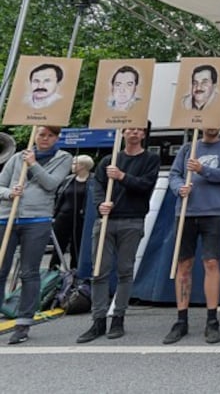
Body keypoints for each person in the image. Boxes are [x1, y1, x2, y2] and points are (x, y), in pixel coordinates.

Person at [77, 127, 160, 343]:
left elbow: (145, 186)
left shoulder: (151, 159)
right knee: (99, 272)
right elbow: (98, 187)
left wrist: (122, 176)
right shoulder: (108, 159)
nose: (133, 133)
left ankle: (118, 318)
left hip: (132, 220)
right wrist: (100, 204)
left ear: (143, 135)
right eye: (129, 129)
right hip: (106, 220)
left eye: (138, 130)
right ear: (122, 133)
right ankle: (98, 320)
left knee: (125, 271)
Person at [164, 128, 220, 344]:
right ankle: (181, 320)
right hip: (186, 212)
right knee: (183, 265)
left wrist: (202, 169)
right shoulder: (188, 147)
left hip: (213, 212)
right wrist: (179, 189)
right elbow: (174, 174)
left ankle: (212, 320)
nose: (211, 125)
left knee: (212, 263)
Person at [0, 126, 71, 344]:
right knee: (1, 267)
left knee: (29, 272)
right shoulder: (16, 157)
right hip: (6, 217)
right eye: (41, 134)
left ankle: (23, 322)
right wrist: (9, 193)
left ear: (56, 138)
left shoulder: (64, 158)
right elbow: (0, 184)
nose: (45, 139)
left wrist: (33, 164)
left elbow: (51, 184)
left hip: (37, 220)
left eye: (50, 135)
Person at [50, 154, 94, 270]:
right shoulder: (68, 180)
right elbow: (59, 197)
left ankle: (75, 274)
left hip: (81, 218)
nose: (72, 165)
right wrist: (54, 214)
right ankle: (53, 273)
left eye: (75, 163)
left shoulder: (93, 181)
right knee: (58, 247)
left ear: (83, 166)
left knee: (77, 247)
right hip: (63, 217)